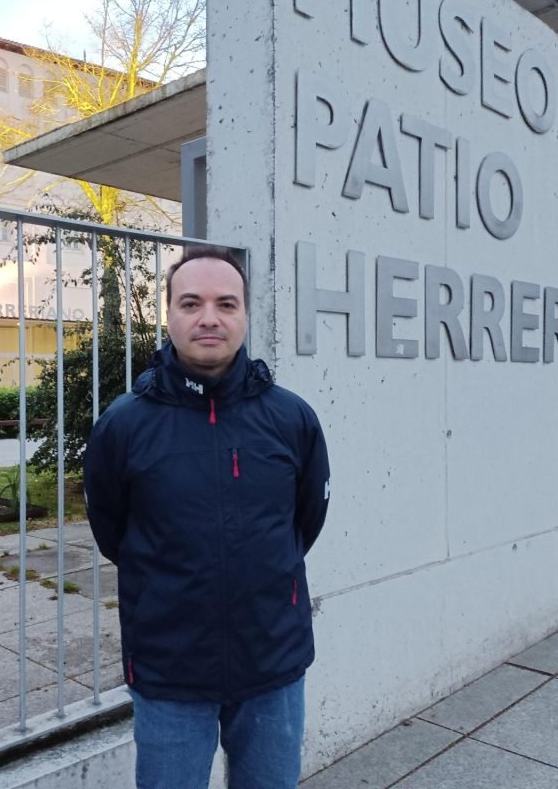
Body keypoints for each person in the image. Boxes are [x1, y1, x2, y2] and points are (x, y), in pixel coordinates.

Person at [83, 245, 331, 789]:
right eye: (191, 303)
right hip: (170, 668)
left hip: (272, 664)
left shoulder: (292, 419)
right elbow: (112, 532)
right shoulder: (124, 426)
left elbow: (306, 521)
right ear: (168, 314)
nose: (210, 317)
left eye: (227, 303)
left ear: (245, 315)